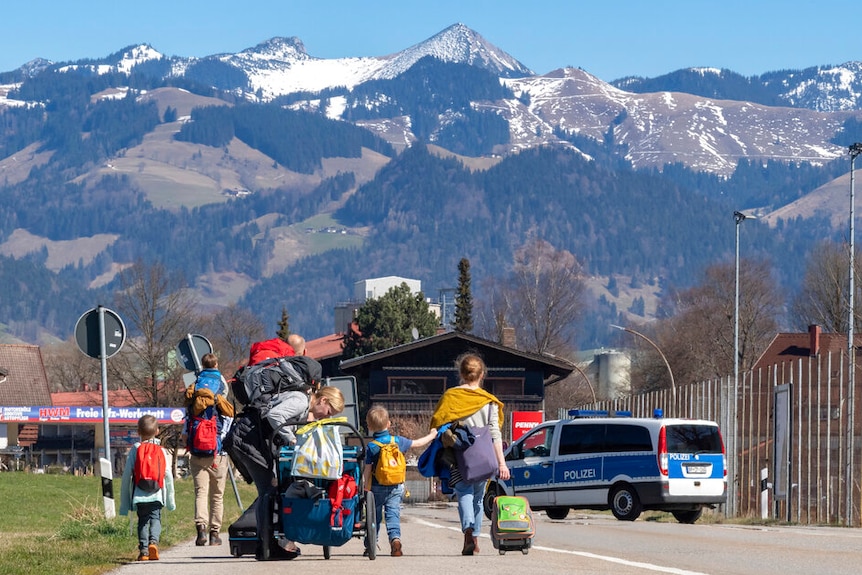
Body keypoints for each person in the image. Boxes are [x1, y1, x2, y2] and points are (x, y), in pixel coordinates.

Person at [227, 378, 344, 560]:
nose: (327, 417)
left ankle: (268, 542)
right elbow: (275, 416)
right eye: (329, 412)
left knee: (271, 488)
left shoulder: (305, 406)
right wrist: (291, 439)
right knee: (268, 490)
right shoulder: (300, 401)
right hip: (247, 439)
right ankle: (266, 545)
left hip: (252, 439)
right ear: (323, 400)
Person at [430, 352, 510, 556]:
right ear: (482, 374)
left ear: (461, 373)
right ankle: (474, 537)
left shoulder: (451, 397)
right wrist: (502, 464)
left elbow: (437, 423)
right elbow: (495, 433)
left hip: (459, 456)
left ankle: (467, 530)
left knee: (464, 492)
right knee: (478, 496)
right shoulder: (489, 401)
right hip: (484, 457)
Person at [362, 405, 437, 557]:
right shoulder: (397, 441)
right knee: (393, 514)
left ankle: (370, 544)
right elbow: (417, 443)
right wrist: (432, 435)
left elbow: (368, 470)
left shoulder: (371, 447)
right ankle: (395, 539)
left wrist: (364, 487)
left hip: (377, 487)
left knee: (373, 516)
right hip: (396, 486)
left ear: (369, 426)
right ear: (388, 424)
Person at [183, 352, 234, 547]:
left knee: (200, 492)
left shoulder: (194, 387)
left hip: (197, 452)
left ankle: (200, 531)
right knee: (217, 495)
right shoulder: (221, 387)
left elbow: (186, 426)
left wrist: (190, 442)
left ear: (202, 366)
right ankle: (215, 534)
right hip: (218, 453)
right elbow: (228, 421)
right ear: (217, 364)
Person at [120, 415, 176, 561]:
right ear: (157, 431)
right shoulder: (161, 451)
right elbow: (168, 476)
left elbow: (126, 476)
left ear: (138, 432)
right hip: (157, 493)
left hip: (139, 493)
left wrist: (124, 504)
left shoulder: (135, 449)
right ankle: (153, 543)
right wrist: (170, 502)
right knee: (155, 518)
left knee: (143, 520)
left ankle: (144, 551)